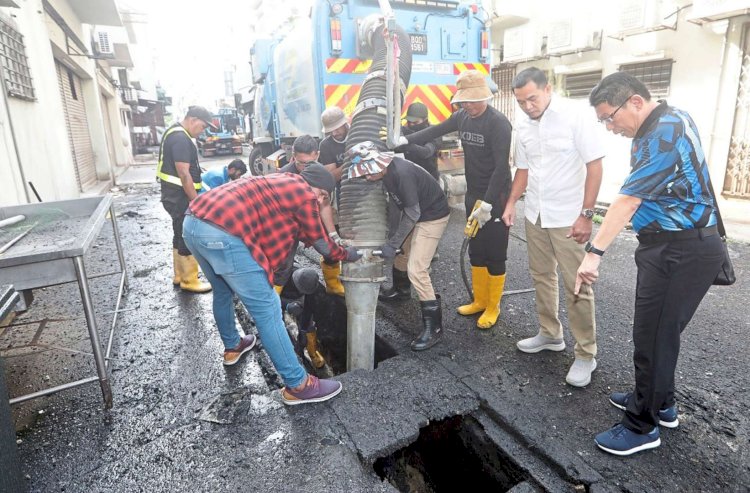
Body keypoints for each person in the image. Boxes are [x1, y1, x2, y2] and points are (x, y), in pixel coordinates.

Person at [576, 72, 724, 455]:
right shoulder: (655, 127)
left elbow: (628, 200)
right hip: (670, 248)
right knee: (658, 333)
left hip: (681, 251)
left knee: (653, 336)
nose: (610, 127)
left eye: (610, 117)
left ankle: (642, 427)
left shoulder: (666, 129)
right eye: (603, 121)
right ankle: (662, 403)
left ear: (636, 102)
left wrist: (594, 254)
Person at [183, 163, 361, 405]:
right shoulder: (305, 194)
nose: (320, 202)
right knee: (268, 310)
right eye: (323, 197)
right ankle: (299, 385)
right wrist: (348, 254)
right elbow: (321, 244)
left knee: (223, 291)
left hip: (193, 223)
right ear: (318, 190)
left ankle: (233, 346)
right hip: (222, 234)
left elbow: (283, 237)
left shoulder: (280, 181)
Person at [501, 67, 605, 388]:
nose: (527, 106)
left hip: (568, 217)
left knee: (576, 283)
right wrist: (511, 203)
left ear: (548, 89)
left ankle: (586, 353)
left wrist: (586, 215)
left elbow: (595, 166)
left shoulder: (576, 116)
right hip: (536, 214)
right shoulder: (523, 124)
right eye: (521, 101)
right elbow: (523, 168)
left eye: (532, 98)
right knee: (541, 276)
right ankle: (550, 333)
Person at [390, 70, 513, 329]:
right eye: (464, 101)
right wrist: (403, 140)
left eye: (472, 101)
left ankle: (493, 306)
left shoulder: (498, 123)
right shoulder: (462, 117)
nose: (467, 105)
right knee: (476, 249)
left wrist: (489, 203)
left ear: (485, 97)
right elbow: (433, 130)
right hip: (473, 193)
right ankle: (479, 300)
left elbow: (502, 167)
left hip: (496, 196)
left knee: (495, 251)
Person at [348, 141, 450, 350]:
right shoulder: (387, 173)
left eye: (367, 173)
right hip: (419, 212)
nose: (366, 177)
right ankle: (400, 292)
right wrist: (394, 238)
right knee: (402, 253)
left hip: (433, 216)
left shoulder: (402, 174)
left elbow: (413, 213)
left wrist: (393, 243)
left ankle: (435, 328)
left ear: (379, 165)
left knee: (417, 269)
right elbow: (397, 205)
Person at [156, 105, 217, 294]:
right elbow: (184, 174)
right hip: (180, 197)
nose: (202, 132)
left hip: (173, 196)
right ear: (192, 120)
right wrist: (196, 202)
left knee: (178, 233)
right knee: (187, 236)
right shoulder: (181, 138)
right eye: (202, 127)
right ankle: (190, 280)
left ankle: (179, 276)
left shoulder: (175, 133)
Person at [276, 135, 344, 295]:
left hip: (312, 219)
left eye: (308, 163)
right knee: (283, 262)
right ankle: (274, 295)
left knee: (330, 249)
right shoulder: (284, 175)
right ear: (293, 156)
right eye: (299, 163)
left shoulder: (322, 175)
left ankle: (333, 285)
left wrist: (333, 234)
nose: (304, 168)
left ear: (317, 155)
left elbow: (324, 205)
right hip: (288, 224)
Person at [279, 266, 325, 369]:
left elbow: (308, 309)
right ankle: (289, 351)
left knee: (308, 323)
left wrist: (304, 330)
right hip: (279, 297)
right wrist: (286, 305)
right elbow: (268, 297)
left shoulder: (311, 285)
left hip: (296, 298)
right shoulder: (281, 275)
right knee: (278, 323)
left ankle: (313, 353)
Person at [398, 102, 439, 180]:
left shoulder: (434, 132)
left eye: (415, 122)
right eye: (409, 122)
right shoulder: (404, 131)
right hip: (409, 177)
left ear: (425, 120)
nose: (412, 124)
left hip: (429, 178)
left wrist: (405, 144)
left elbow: (426, 152)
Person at [318, 107, 349, 183]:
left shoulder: (357, 135)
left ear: (344, 124)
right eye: (331, 130)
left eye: (336, 129)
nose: (334, 133)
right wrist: (349, 162)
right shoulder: (325, 145)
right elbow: (332, 177)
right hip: (343, 187)